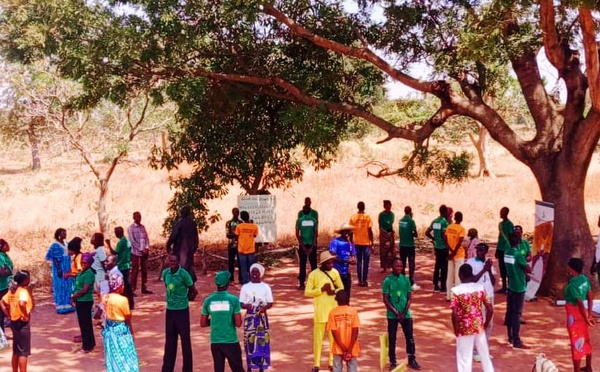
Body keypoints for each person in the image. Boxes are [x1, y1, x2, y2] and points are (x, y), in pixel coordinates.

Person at [305, 251, 344, 372]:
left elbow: (341, 288)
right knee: (318, 340)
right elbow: (307, 292)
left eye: (332, 261)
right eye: (329, 262)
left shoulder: (335, 273)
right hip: (320, 313)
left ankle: (331, 363)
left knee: (333, 339)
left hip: (333, 312)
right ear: (323, 263)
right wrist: (320, 290)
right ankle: (316, 364)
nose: (331, 264)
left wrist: (335, 292)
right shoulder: (314, 274)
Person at [450, 264, 494, 372]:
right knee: (484, 354)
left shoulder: (456, 290)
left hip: (463, 327)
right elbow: (490, 309)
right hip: (479, 325)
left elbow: (454, 314)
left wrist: (456, 329)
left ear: (460, 275)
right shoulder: (480, 288)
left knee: (464, 356)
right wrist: (486, 323)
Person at [201, 271, 244, 372]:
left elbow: (203, 323)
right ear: (228, 283)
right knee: (238, 368)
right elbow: (238, 323)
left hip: (215, 341)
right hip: (230, 340)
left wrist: (216, 320)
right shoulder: (233, 300)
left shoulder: (208, 300)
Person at [382, 258, 421, 370]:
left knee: (409, 337)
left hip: (406, 314)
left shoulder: (406, 280)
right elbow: (385, 299)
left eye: (401, 266)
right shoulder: (387, 280)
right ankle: (393, 361)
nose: (399, 268)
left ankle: (412, 359)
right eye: (396, 266)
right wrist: (396, 312)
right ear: (392, 266)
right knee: (392, 338)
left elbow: (409, 298)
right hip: (392, 315)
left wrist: (403, 312)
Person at [161, 254, 194, 372]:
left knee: (185, 341)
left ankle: (187, 369)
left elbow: (193, 290)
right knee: (170, 341)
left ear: (179, 261)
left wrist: (183, 300)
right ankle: (167, 368)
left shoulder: (184, 274)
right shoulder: (165, 273)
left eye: (175, 261)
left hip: (182, 311)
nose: (172, 263)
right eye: (170, 261)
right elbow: (167, 286)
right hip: (170, 311)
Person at [102, 272, 140, 372]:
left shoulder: (105, 298)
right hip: (121, 330)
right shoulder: (123, 300)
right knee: (125, 353)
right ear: (119, 285)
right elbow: (127, 317)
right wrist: (132, 332)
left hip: (110, 330)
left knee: (112, 355)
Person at [239, 263, 273, 372]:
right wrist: (247, 305)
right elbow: (241, 303)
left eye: (256, 272)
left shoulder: (265, 287)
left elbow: (270, 302)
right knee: (249, 342)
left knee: (261, 341)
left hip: (261, 317)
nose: (254, 274)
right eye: (252, 272)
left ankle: (261, 367)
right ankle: (249, 366)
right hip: (250, 318)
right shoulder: (245, 287)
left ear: (261, 274)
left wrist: (263, 309)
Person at [466, 243, 496, 362]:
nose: (480, 252)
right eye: (478, 250)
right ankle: (474, 351)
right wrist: (484, 269)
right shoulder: (470, 262)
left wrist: (488, 270)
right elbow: (472, 279)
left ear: (486, 251)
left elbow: (493, 281)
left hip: (489, 294)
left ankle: (483, 349)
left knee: (489, 323)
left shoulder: (488, 263)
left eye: (482, 251)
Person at [0, 270, 34, 372]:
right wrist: (26, 314)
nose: (29, 279)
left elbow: (2, 302)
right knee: (23, 352)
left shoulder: (12, 291)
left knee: (16, 349)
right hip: (22, 323)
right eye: (28, 278)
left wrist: (8, 315)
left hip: (13, 322)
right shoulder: (22, 291)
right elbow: (22, 303)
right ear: (24, 280)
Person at [565, 257, 594, 372]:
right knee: (586, 339)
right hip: (584, 314)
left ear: (571, 269)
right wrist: (589, 315)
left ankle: (576, 370)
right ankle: (588, 366)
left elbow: (580, 303)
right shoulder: (584, 279)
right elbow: (590, 297)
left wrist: (586, 318)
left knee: (576, 342)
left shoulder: (572, 286)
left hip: (574, 315)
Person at [504, 233, 531, 349]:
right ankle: (517, 340)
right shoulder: (518, 254)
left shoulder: (506, 253)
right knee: (516, 314)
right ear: (518, 241)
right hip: (519, 286)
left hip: (511, 285)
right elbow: (527, 268)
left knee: (510, 312)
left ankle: (510, 337)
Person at [166, 205, 199, 300]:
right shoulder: (192, 223)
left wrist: (168, 245)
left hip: (180, 250)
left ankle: (182, 291)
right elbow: (196, 238)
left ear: (181, 213)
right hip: (189, 251)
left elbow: (173, 236)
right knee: (188, 269)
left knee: (179, 271)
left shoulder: (179, 223)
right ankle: (191, 290)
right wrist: (194, 248)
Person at [327, 290, 360, 372]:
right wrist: (349, 350)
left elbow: (334, 333)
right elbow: (355, 331)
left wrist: (343, 349)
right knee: (352, 369)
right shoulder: (353, 311)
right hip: (352, 347)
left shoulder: (332, 313)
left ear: (336, 300)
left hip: (338, 347)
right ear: (347, 299)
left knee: (337, 368)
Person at [45, 228, 75, 314]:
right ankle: (60, 305)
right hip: (60, 267)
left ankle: (67, 304)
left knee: (67, 284)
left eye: (65, 233)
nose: (65, 235)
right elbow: (54, 258)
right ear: (59, 234)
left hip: (67, 266)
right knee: (59, 285)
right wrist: (58, 269)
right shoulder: (55, 245)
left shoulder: (67, 243)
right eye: (63, 233)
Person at [71, 253, 96, 353]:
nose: (83, 264)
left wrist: (74, 297)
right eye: (82, 262)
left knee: (86, 324)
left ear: (89, 264)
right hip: (80, 301)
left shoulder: (89, 273)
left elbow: (85, 289)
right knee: (83, 324)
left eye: (85, 263)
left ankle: (88, 346)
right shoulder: (82, 272)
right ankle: (88, 344)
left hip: (85, 301)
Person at [107, 226, 134, 310]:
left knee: (123, 285)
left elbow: (114, 253)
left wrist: (109, 244)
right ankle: (130, 303)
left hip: (122, 266)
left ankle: (126, 304)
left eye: (116, 232)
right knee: (127, 285)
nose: (115, 234)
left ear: (119, 233)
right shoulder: (127, 240)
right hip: (127, 264)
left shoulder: (121, 242)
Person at [349, 201, 374, 287]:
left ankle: (360, 280)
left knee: (359, 262)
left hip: (356, 242)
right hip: (366, 242)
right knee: (366, 262)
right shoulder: (367, 217)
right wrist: (372, 242)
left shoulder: (353, 218)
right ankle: (364, 280)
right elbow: (370, 231)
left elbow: (350, 232)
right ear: (364, 207)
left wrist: (351, 242)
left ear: (357, 207)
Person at [329, 223, 356, 300]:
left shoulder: (351, 244)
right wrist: (346, 261)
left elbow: (353, 257)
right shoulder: (335, 242)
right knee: (337, 293)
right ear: (341, 232)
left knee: (347, 294)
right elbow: (332, 257)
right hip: (336, 272)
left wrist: (353, 261)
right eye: (345, 231)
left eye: (348, 231)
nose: (347, 233)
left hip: (347, 272)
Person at [128, 211, 153, 295]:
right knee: (135, 270)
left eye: (140, 216)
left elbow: (146, 238)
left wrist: (146, 247)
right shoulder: (131, 228)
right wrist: (140, 249)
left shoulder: (142, 227)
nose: (139, 218)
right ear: (134, 218)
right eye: (137, 217)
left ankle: (144, 287)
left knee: (144, 270)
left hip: (144, 252)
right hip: (135, 252)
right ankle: (132, 289)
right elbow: (132, 241)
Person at [426, 205, 449, 292]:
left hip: (437, 246)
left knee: (437, 266)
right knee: (444, 267)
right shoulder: (444, 222)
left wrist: (434, 239)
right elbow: (444, 234)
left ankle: (435, 285)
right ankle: (443, 286)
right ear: (445, 212)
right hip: (443, 247)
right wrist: (447, 244)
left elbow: (427, 232)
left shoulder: (435, 222)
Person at [296, 204, 318, 290]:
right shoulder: (314, 221)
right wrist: (312, 247)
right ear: (310, 211)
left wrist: (303, 246)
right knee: (314, 265)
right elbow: (316, 234)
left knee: (302, 264)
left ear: (302, 211)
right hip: (312, 244)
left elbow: (297, 234)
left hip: (303, 245)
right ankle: (315, 284)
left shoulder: (299, 221)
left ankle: (302, 284)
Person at [445, 211, 466, 301]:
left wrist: (450, 251)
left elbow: (445, 240)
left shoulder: (449, 227)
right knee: (458, 276)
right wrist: (454, 252)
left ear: (455, 218)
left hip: (450, 254)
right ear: (461, 219)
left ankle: (448, 296)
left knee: (449, 276)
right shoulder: (462, 229)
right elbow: (459, 242)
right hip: (459, 254)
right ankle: (456, 296)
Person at [235, 211, 259, 285]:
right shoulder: (254, 226)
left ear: (241, 218)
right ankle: (252, 281)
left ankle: (245, 283)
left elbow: (236, 235)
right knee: (251, 267)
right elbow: (255, 235)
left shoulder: (239, 226)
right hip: (251, 249)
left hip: (241, 249)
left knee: (243, 267)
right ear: (248, 216)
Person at [399, 206, 419, 289]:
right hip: (410, 245)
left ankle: (402, 280)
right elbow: (415, 234)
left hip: (402, 244)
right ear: (410, 212)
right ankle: (411, 281)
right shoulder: (411, 221)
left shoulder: (401, 221)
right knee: (411, 263)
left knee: (402, 263)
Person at [496, 207, 514, 294]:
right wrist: (497, 249)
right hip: (500, 249)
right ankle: (504, 287)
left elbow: (511, 237)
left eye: (502, 212)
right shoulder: (500, 224)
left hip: (507, 249)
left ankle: (510, 287)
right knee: (502, 268)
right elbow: (500, 237)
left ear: (506, 213)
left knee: (508, 268)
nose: (500, 213)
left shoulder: (509, 224)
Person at [226, 208, 243, 284]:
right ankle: (231, 279)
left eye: (237, 212)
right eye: (235, 212)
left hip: (240, 245)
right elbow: (227, 235)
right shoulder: (229, 223)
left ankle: (241, 278)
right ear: (232, 213)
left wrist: (234, 235)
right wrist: (236, 235)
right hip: (231, 245)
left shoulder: (241, 222)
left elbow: (243, 234)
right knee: (231, 263)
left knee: (241, 263)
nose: (236, 213)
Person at [0, 239, 13, 333]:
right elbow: (3, 273)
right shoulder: (0, 257)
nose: (8, 246)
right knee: (1, 312)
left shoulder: (4, 255)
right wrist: (9, 271)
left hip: (5, 285)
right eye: (6, 244)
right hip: (1, 286)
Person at [378, 200, 395, 273]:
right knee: (383, 251)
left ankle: (392, 267)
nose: (389, 207)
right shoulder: (381, 214)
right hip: (383, 233)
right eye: (387, 206)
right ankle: (384, 267)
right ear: (384, 207)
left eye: (390, 206)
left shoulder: (392, 214)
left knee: (391, 250)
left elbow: (390, 222)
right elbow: (380, 223)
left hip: (390, 233)